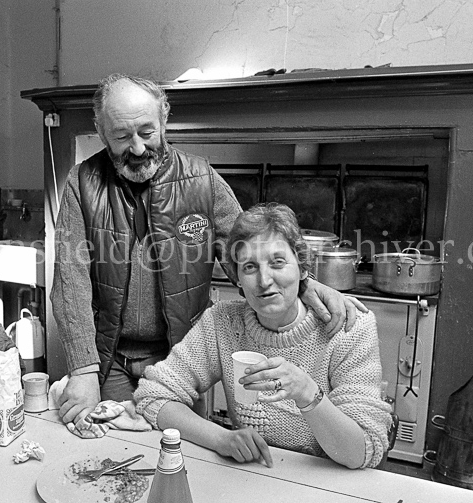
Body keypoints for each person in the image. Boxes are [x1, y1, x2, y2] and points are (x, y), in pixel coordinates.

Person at [52, 73, 366, 428]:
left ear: (164, 119)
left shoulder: (202, 179)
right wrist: (82, 369)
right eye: (122, 136)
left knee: (180, 454)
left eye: (146, 131)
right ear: (101, 129)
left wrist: (307, 285)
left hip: (183, 356)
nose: (137, 148)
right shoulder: (81, 183)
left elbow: (249, 253)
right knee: (118, 452)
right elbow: (70, 281)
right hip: (110, 359)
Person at [134, 203, 391, 469]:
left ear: (303, 269)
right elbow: (154, 396)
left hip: (330, 482)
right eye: (249, 267)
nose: (264, 280)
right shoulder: (223, 323)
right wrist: (222, 438)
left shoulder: (349, 328)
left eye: (278, 262)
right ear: (238, 281)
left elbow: (362, 451)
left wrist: (307, 393)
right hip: (254, 477)